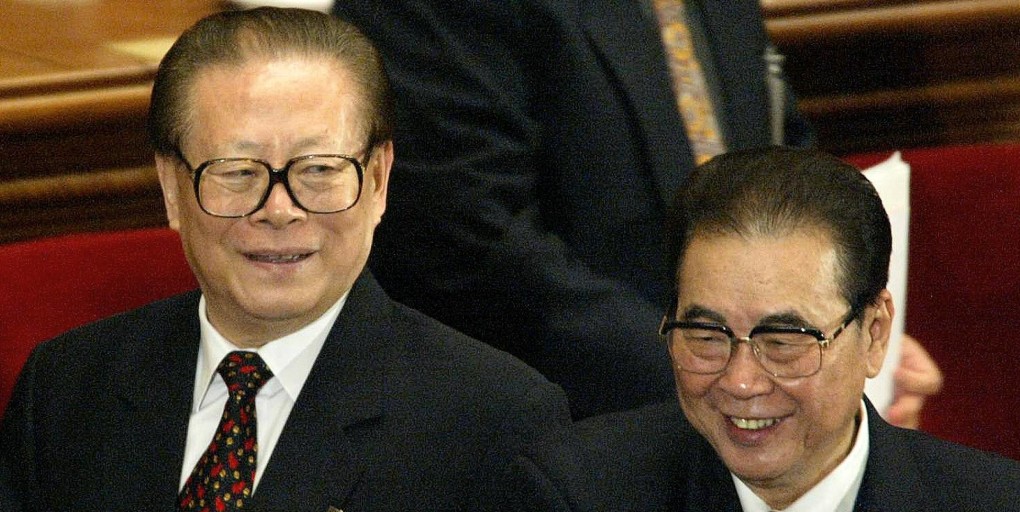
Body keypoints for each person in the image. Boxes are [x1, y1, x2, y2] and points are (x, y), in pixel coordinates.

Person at [0, 8, 569, 512]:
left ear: (379, 180)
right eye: (237, 172)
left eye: (319, 170)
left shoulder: (491, 423)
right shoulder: (71, 384)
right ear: (172, 187)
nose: (280, 209)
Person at [458, 148, 1020, 512]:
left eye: (784, 341)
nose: (741, 381)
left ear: (874, 334)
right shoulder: (584, 508)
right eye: (706, 336)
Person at [331, 0, 942, 423]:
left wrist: (841, 342)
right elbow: (474, 249)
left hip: (734, 426)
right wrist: (729, 369)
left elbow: (783, 170)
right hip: (560, 444)